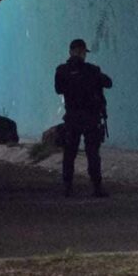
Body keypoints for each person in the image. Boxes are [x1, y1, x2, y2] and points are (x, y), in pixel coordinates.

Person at [55, 39, 113, 197]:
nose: (82, 55)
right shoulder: (92, 70)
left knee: (70, 152)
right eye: (81, 52)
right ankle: (96, 186)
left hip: (73, 117)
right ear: (79, 52)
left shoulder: (62, 70)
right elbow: (108, 83)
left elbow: (58, 89)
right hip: (90, 118)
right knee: (92, 152)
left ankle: (67, 186)